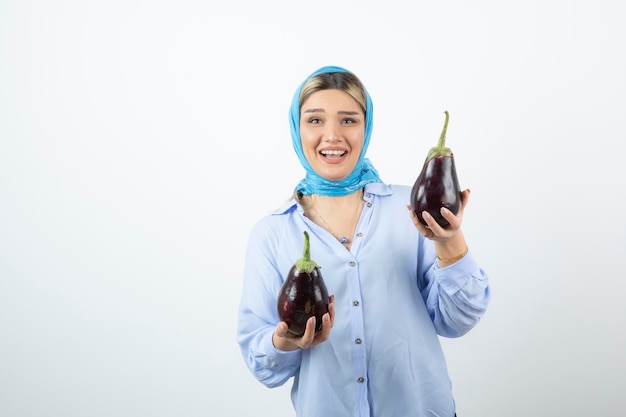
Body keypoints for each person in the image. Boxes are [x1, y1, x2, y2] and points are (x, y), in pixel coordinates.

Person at [236, 65, 490, 417]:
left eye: (348, 120)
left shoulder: (411, 213)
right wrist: (285, 341)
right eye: (314, 120)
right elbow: (263, 365)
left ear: (366, 128)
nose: (332, 135)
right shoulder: (272, 234)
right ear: (297, 129)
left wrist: (450, 240)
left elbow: (457, 320)